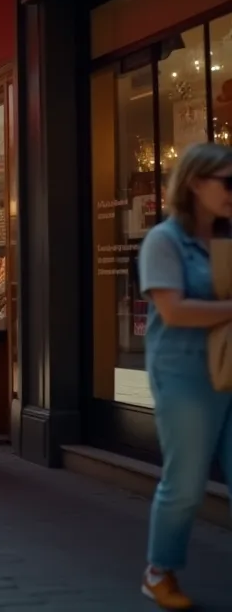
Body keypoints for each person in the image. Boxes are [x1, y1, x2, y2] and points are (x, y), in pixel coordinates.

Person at [135, 143, 232, 610]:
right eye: (226, 182)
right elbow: (173, 311)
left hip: (230, 369)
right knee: (187, 482)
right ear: (196, 183)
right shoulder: (164, 240)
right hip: (184, 376)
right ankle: (159, 571)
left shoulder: (228, 240)